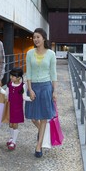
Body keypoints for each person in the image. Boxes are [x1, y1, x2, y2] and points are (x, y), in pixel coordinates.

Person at [25, 28, 57, 158]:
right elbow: (29, 73)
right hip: (33, 87)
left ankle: (38, 146)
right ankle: (43, 132)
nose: (36, 39)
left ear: (44, 38)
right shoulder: (29, 53)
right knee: (33, 117)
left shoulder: (51, 54)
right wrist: (30, 89)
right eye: (34, 37)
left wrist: (55, 91)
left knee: (43, 117)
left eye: (38, 37)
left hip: (46, 87)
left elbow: (53, 74)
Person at [4, 67, 31, 150]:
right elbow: (6, 94)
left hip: (18, 109)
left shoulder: (22, 86)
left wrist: (31, 99)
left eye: (13, 76)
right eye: (11, 76)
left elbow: (24, 97)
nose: (11, 78)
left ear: (19, 77)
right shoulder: (9, 85)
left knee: (15, 124)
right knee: (10, 124)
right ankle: (11, 138)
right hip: (10, 108)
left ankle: (14, 142)